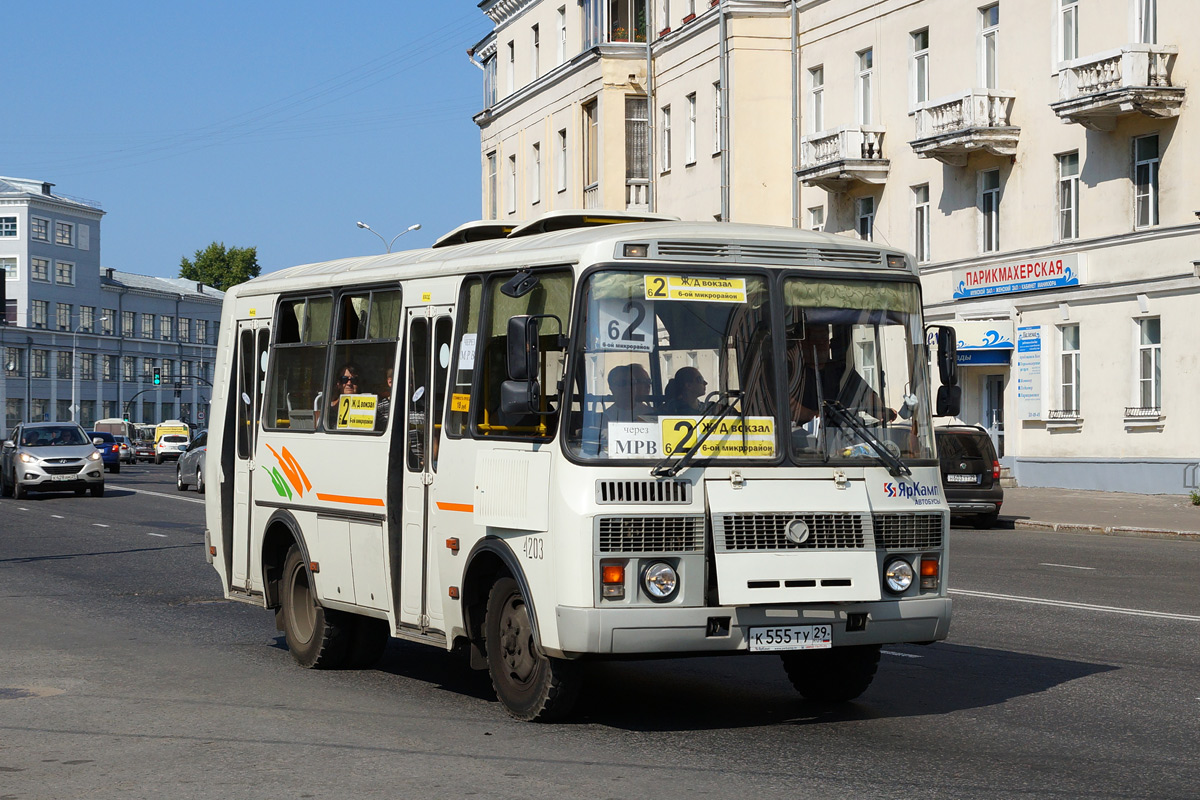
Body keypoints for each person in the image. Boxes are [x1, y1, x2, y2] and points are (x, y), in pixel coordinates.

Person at [789, 323, 895, 426]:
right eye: (815, 340)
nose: (822, 345)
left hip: (844, 437)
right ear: (802, 343)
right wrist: (813, 415)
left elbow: (866, 395)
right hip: (803, 439)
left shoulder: (840, 370)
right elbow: (788, 405)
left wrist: (881, 410)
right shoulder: (793, 372)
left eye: (824, 339)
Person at [325, 362, 362, 428]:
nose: (349, 383)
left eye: (354, 380)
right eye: (344, 379)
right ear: (338, 384)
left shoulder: (366, 409)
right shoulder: (327, 408)